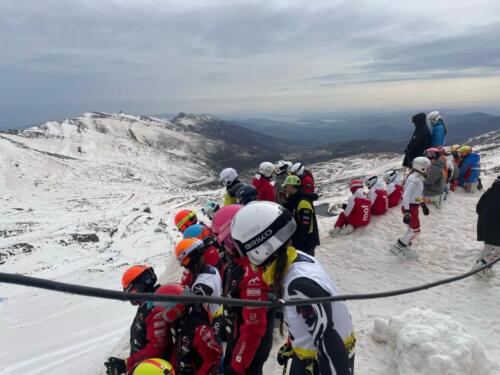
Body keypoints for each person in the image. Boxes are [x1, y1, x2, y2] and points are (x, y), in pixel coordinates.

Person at [231, 202, 356, 375]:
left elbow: (327, 339)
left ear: (260, 248)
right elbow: (310, 320)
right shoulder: (295, 258)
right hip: (313, 354)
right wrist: (294, 342)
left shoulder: (298, 286)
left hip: (324, 362)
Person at [211, 204, 274, 375]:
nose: (225, 248)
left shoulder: (252, 274)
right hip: (238, 338)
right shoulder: (239, 266)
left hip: (249, 351)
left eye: (226, 242)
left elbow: (253, 329)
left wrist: (237, 364)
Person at [105, 266, 167, 375]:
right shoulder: (148, 304)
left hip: (153, 369)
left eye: (130, 292)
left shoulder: (154, 309)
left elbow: (157, 348)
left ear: (140, 287)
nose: (130, 297)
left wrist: (126, 364)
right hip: (146, 366)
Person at [154, 283, 223, 375]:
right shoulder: (179, 323)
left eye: (163, 310)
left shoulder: (199, 330)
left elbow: (213, 360)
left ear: (175, 308)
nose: (161, 314)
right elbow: (178, 350)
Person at [174, 238, 223, 324]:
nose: (186, 267)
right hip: (218, 316)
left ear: (191, 260)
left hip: (213, 325)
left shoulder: (202, 284)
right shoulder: (211, 268)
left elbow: (195, 313)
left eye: (185, 264)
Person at [391, 157, 431, 259]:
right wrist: (408, 212)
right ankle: (398, 246)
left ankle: (405, 245)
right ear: (421, 168)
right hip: (410, 208)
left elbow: (416, 195)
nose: (429, 170)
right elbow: (406, 196)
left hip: (412, 207)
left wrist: (422, 204)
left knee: (411, 229)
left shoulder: (415, 177)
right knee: (416, 231)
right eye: (427, 168)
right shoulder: (415, 180)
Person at [282, 175, 320, 256]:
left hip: (306, 244)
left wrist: (295, 244)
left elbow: (305, 227)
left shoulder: (303, 202)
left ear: (291, 186)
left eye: (286, 186)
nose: (284, 189)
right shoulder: (293, 201)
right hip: (298, 243)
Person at [472, 176, 500, 279]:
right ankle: (481, 266)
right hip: (495, 229)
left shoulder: (489, 192)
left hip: (484, 226)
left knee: (488, 247)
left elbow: (478, 208)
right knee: (498, 251)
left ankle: (482, 267)